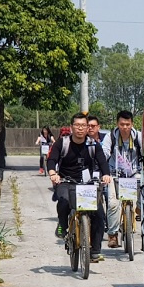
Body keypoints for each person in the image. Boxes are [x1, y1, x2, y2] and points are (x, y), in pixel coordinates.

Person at [46, 112, 112, 263]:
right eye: (77, 125)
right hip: (65, 181)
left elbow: (102, 162)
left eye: (83, 125)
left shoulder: (92, 144)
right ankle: (62, 225)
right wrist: (53, 173)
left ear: (87, 127)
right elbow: (52, 160)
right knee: (63, 201)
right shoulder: (62, 143)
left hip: (86, 183)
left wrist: (106, 174)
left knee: (99, 214)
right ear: (71, 127)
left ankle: (95, 250)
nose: (80, 128)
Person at [101, 110, 144, 249]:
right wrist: (102, 170)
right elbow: (104, 154)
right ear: (117, 124)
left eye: (127, 124)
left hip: (134, 173)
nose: (125, 127)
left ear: (132, 124)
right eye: (122, 124)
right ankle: (112, 235)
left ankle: (139, 209)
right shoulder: (110, 137)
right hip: (114, 174)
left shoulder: (138, 137)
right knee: (113, 203)